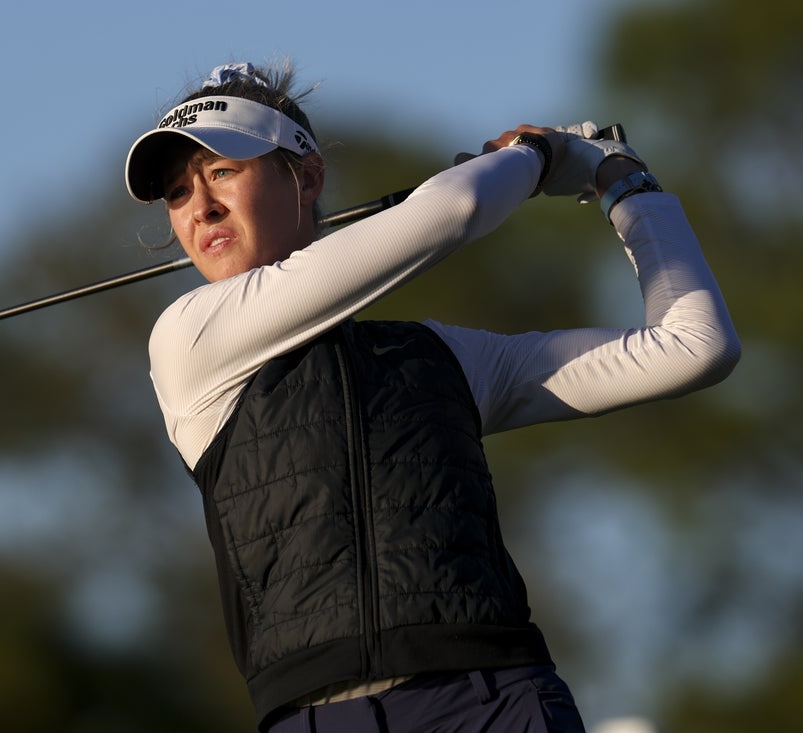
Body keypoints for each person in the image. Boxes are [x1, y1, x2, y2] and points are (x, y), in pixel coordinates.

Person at [123, 61, 740, 733]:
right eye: (178, 192)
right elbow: (453, 210)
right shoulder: (188, 338)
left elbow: (693, 345)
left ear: (307, 177)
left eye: (222, 171)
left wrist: (625, 185)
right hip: (316, 718)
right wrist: (538, 154)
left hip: (497, 700)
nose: (200, 207)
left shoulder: (444, 356)